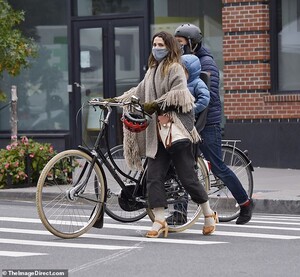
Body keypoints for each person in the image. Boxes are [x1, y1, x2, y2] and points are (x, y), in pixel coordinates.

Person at [115, 31, 218, 237]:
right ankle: (160, 219)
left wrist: (158, 107)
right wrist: (119, 100)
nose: (157, 47)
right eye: (154, 43)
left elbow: (179, 95)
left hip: (177, 131)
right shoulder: (152, 69)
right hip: (157, 134)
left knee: (188, 178)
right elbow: (140, 90)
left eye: (161, 44)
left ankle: (208, 214)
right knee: (154, 177)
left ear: (169, 47)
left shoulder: (175, 68)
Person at [174, 23, 254, 225]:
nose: (179, 47)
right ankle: (179, 212)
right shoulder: (182, 62)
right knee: (185, 167)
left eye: (181, 43)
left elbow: (206, 97)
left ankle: (245, 203)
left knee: (218, 167)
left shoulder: (206, 64)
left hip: (206, 123)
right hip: (188, 122)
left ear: (192, 43)